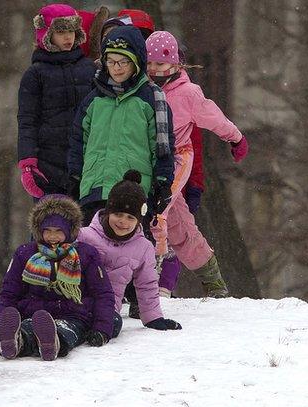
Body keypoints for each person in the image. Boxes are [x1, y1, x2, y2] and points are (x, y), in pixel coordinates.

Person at [145, 30, 247, 298]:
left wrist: (235, 137)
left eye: (161, 63)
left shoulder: (188, 93)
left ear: (176, 64)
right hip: (149, 160)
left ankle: (155, 274)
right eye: (150, 64)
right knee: (179, 223)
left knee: (158, 212)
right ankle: (212, 280)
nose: (154, 69)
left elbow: (213, 117)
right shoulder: (142, 88)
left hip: (178, 156)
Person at [67, 24, 176, 224]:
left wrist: (163, 181)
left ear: (136, 63)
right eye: (111, 61)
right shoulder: (93, 100)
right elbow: (78, 140)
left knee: (130, 251)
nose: (116, 68)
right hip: (95, 189)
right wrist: (75, 175)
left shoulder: (152, 99)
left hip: (134, 192)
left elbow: (162, 146)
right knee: (94, 249)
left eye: (123, 61)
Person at [0, 194, 116, 360]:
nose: (53, 237)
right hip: (36, 312)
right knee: (28, 327)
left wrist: (102, 328)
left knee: (68, 330)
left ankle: (54, 342)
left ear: (70, 230)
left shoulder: (85, 254)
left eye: (59, 231)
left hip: (73, 313)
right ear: (39, 230)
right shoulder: (26, 253)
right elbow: (9, 292)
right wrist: (3, 317)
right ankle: (13, 341)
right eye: (48, 231)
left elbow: (102, 293)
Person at [77, 170, 182, 331]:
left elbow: (147, 284)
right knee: (72, 320)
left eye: (130, 217)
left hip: (107, 311)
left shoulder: (142, 247)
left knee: (113, 324)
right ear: (108, 212)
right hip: (74, 302)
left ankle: (81, 334)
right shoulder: (84, 236)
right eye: (118, 214)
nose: (123, 222)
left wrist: (153, 317)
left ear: (139, 219)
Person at [18, 4, 97, 198]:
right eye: (61, 32)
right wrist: (28, 163)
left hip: (86, 164)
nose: (68, 37)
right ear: (47, 34)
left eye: (71, 31)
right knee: (52, 226)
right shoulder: (35, 74)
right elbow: (27, 121)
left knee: (88, 228)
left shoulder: (89, 69)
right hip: (48, 168)